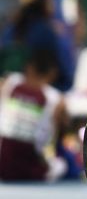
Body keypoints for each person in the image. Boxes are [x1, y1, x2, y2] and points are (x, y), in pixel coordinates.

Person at [0, 49, 69, 181]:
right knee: (62, 165)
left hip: (3, 163)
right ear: (53, 73)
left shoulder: (9, 82)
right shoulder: (56, 99)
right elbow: (55, 138)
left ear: (28, 67)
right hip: (30, 166)